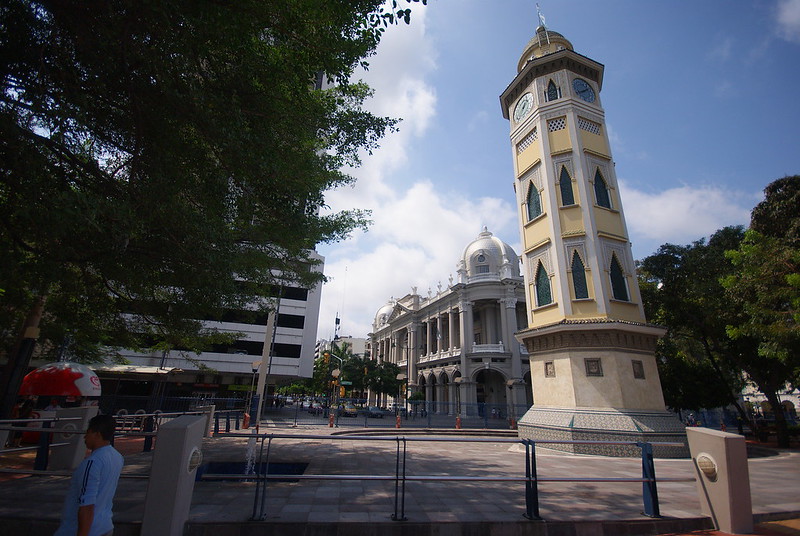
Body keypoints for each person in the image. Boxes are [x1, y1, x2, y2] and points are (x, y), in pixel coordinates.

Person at [55, 414, 124, 536]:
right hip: (105, 525)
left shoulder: (92, 462)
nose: (85, 437)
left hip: (83, 529)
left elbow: (87, 504)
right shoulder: (117, 457)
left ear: (97, 434)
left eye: (88, 432)